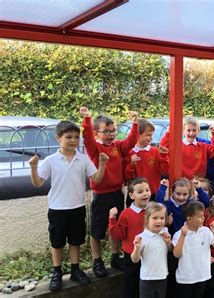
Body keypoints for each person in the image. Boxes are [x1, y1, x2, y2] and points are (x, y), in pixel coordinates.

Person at [29, 120, 109, 291]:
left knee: (76, 240)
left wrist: (102, 165)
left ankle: (75, 269)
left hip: (77, 207)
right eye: (69, 137)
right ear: (58, 138)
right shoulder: (51, 160)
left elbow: (96, 179)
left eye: (76, 137)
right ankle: (57, 272)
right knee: (57, 242)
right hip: (57, 208)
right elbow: (37, 183)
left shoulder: (83, 159)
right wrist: (34, 168)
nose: (73, 140)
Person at [80, 106, 139, 276]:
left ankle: (115, 255)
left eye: (113, 131)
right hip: (100, 195)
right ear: (97, 133)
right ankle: (97, 261)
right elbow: (88, 139)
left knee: (116, 227)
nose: (110, 134)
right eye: (106, 131)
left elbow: (130, 142)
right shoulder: (94, 148)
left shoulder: (118, 146)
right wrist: (87, 120)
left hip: (116, 192)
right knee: (97, 230)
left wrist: (134, 124)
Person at [109, 177, 152, 298]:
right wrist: (112, 219)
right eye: (140, 192)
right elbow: (118, 235)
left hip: (150, 253)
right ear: (132, 196)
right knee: (131, 284)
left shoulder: (153, 210)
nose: (145, 194)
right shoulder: (126, 213)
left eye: (147, 190)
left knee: (147, 284)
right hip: (131, 254)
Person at [172, 201, 214, 298]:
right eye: (200, 217)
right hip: (186, 278)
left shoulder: (206, 231)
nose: (203, 218)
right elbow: (176, 254)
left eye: (203, 215)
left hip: (202, 275)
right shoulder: (179, 234)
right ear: (189, 219)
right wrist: (183, 235)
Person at [131, 202, 172, 298]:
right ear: (147, 219)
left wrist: (168, 242)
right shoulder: (141, 237)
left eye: (162, 218)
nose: (159, 221)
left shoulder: (165, 232)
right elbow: (134, 259)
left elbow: (170, 250)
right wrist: (137, 248)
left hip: (162, 277)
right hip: (147, 278)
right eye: (155, 218)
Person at [124, 119, 169, 194]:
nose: (151, 138)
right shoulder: (130, 153)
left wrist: (164, 155)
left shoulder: (155, 151)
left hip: (153, 193)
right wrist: (132, 164)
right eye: (148, 135)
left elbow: (165, 171)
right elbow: (127, 177)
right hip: (136, 195)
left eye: (152, 135)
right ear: (138, 135)